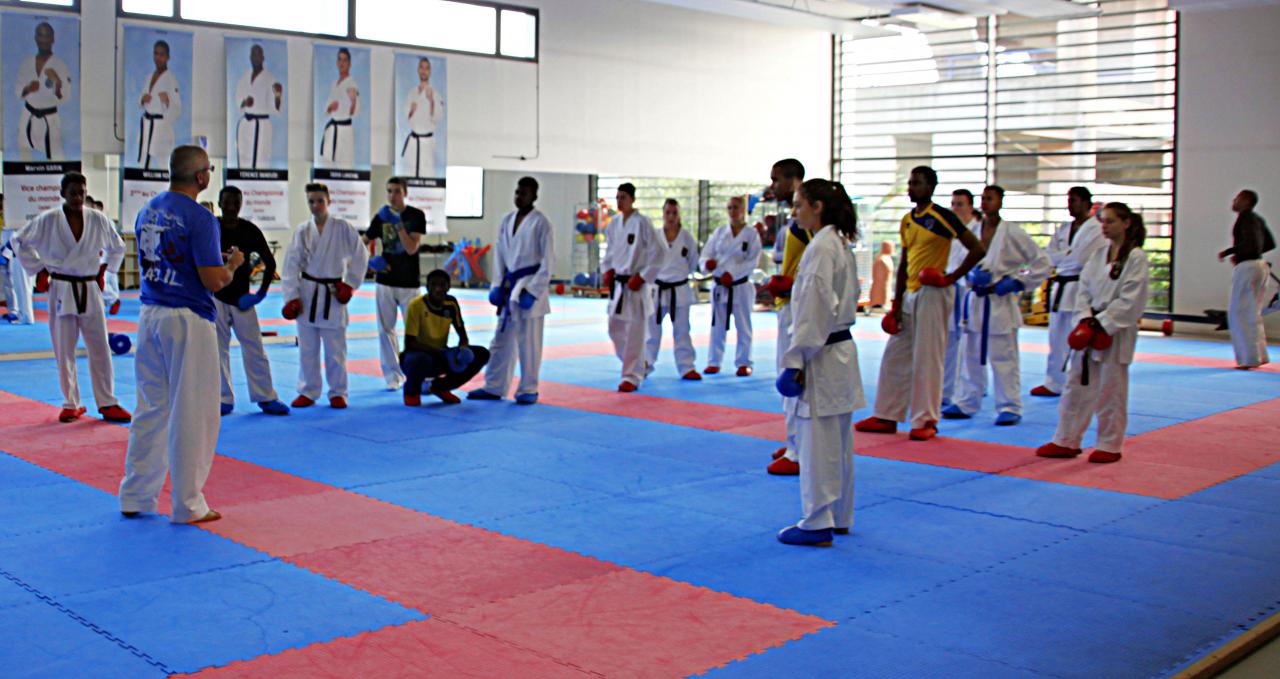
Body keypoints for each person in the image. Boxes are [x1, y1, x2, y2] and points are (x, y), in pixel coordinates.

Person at [119, 146, 239, 524]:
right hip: (188, 319)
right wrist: (233, 264)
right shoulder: (200, 218)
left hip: (150, 314)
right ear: (202, 177)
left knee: (152, 408)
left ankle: (136, 495)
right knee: (195, 412)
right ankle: (188, 503)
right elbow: (214, 280)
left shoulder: (148, 208)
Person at [855, 166, 985, 441]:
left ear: (931, 187)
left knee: (928, 356)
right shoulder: (907, 220)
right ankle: (887, 414)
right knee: (895, 354)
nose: (911, 188)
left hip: (934, 291)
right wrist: (897, 300)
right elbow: (904, 260)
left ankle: (926, 419)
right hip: (911, 293)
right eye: (910, 182)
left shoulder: (942, 216)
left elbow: (977, 248)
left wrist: (950, 278)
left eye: (917, 183)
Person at [774, 179, 864, 547]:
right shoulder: (840, 243)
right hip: (841, 351)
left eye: (800, 204)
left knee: (815, 444)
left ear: (817, 207)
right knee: (839, 443)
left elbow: (812, 311)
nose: (795, 211)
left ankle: (816, 521)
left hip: (823, 354)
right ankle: (839, 515)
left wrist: (794, 360)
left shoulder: (821, 248)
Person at [1036, 202, 1149, 464]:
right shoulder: (1098, 255)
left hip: (1115, 330)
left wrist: (1103, 323)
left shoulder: (1136, 258)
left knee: (1111, 389)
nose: (1105, 227)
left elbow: (1132, 299)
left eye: (1111, 221)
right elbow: (1083, 290)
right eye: (1103, 222)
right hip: (1088, 327)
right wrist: (1086, 320)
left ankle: (1109, 444)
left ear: (1126, 223)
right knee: (1076, 385)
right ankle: (1066, 440)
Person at [16, 172, 131, 424]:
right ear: (62, 194)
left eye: (81, 192)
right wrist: (39, 270)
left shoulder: (98, 219)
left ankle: (107, 401)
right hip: (62, 287)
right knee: (64, 347)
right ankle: (71, 403)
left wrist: (105, 269)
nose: (78, 197)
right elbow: (20, 241)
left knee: (100, 346)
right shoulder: (47, 220)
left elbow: (118, 246)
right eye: (73, 193)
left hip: (90, 287)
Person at [943, 185, 1052, 425]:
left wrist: (1018, 281)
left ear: (1000, 202)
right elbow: (953, 265)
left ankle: (1010, 406)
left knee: (1004, 357)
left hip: (1000, 301)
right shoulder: (970, 230)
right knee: (970, 355)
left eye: (990, 198)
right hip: (974, 300)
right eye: (983, 198)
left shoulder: (1012, 232)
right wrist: (968, 276)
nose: (985, 202)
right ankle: (966, 401)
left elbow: (1042, 262)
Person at [469, 176, 555, 403]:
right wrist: (497, 285)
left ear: (534, 196)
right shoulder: (506, 220)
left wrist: (534, 291)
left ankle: (529, 389)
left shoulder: (541, 223)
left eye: (524, 193)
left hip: (529, 286)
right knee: (501, 339)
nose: (519, 196)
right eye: (517, 192)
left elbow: (548, 263)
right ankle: (494, 386)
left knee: (529, 343)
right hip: (509, 287)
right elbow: (499, 256)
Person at [282, 183, 369, 408]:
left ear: (329, 201)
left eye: (320, 200)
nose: (316, 205)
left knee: (335, 349)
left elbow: (361, 255)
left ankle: (338, 392)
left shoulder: (342, 228)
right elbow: (291, 265)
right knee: (307, 348)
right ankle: (308, 390)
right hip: (308, 294)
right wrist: (291, 297)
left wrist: (350, 285)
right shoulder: (302, 231)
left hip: (333, 294)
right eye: (311, 201)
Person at [213, 186, 288, 417]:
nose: (231, 206)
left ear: (241, 203)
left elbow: (270, 263)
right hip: (215, 296)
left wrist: (260, 294)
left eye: (236, 202)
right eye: (227, 202)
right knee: (217, 350)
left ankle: (265, 395)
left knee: (254, 347)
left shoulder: (249, 230)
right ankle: (222, 398)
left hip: (242, 299)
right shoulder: (210, 228)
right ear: (219, 202)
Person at [1033, 186, 1105, 397]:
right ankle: (1053, 382)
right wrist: (1066, 255)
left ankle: (1076, 381)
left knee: (1076, 338)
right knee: (1055, 338)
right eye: (1068, 200)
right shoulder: (1064, 228)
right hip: (1060, 287)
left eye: (1073, 200)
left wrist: (1062, 257)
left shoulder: (1096, 230)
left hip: (1079, 287)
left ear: (1086, 203)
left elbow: (1082, 260)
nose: (1069, 204)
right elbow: (1047, 256)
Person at [764, 158, 807, 476]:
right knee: (786, 373)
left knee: (793, 375)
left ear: (795, 182)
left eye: (776, 180)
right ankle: (795, 439)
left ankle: (799, 451)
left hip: (800, 306)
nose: (772, 186)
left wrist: (794, 283)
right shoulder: (793, 219)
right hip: (788, 302)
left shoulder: (806, 223)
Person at [364, 177, 427, 390]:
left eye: (397, 191)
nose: (393, 195)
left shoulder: (416, 216)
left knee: (417, 331)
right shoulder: (380, 218)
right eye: (389, 191)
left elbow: (411, 248)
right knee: (385, 330)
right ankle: (393, 376)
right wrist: (370, 262)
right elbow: (361, 243)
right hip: (385, 281)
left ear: (405, 193)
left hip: (409, 282)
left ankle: (421, 373)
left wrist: (398, 225)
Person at [601, 182, 661, 392]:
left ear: (633, 199)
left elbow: (658, 253)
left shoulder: (643, 223)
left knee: (635, 331)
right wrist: (606, 270)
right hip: (619, 285)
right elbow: (609, 253)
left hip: (636, 285)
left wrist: (643, 276)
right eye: (617, 197)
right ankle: (639, 363)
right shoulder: (614, 224)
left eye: (623, 197)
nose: (619, 201)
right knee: (614, 328)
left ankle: (632, 376)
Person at [402, 269, 490, 405]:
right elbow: (410, 343)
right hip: (419, 355)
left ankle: (441, 387)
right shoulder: (416, 305)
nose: (438, 289)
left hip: (442, 356)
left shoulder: (451, 304)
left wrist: (462, 350)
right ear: (427, 287)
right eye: (434, 285)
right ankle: (411, 391)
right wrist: (442, 354)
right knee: (417, 361)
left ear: (448, 287)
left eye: (442, 285)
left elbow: (463, 335)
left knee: (482, 354)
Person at [702, 195, 762, 376]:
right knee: (717, 325)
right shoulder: (720, 232)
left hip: (740, 285)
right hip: (720, 285)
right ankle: (714, 361)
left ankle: (744, 362)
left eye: (736, 207)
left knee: (743, 325)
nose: (732, 211)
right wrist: (707, 264)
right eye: (729, 208)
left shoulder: (751, 234)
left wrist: (733, 274)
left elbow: (753, 261)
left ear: (743, 210)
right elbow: (705, 255)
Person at [643, 198, 700, 381]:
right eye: (668, 213)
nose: (671, 217)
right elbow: (646, 261)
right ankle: (645, 364)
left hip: (679, 290)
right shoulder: (654, 236)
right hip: (657, 290)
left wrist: (680, 276)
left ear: (679, 214)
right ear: (663, 214)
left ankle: (686, 366)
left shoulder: (687, 238)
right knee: (651, 332)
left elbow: (692, 263)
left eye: (674, 213)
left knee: (682, 331)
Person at [1219, 190, 1274, 369]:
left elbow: (1250, 244)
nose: (1233, 201)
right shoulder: (1258, 219)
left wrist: (1230, 252)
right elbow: (1269, 243)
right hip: (1261, 265)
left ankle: (1248, 358)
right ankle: (1260, 355)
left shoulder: (1245, 218)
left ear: (1246, 201)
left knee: (1239, 312)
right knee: (1252, 312)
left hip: (1248, 266)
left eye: (1237, 199)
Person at [941, 189, 981, 407]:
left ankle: (970, 389)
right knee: (949, 341)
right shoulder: (951, 231)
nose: (956, 208)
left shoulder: (978, 231)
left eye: (960, 204)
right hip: (950, 288)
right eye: (953, 204)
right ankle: (947, 391)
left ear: (971, 207)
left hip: (969, 290)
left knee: (969, 344)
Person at [16, 21, 71, 161]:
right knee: (23, 157)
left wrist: (57, 82)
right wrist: (28, 88)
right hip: (28, 115)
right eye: (40, 35)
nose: (44, 40)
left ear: (53, 39)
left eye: (47, 36)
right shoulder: (26, 63)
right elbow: (18, 91)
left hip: (50, 119)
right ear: (35, 38)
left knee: (57, 159)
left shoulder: (60, 65)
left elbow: (65, 97)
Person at [233, 44, 283, 169]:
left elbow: (275, 108)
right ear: (250, 58)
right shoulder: (245, 77)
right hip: (245, 124)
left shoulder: (270, 79)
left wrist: (277, 96)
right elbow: (238, 99)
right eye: (253, 55)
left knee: (260, 159)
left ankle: (258, 188)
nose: (255, 58)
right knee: (243, 158)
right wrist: (245, 102)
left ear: (263, 57)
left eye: (257, 55)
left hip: (261, 125)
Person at [137, 40, 182, 170]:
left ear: (168, 57)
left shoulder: (171, 80)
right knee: (144, 163)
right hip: (147, 124)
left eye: (162, 54)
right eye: (156, 54)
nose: (158, 57)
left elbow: (177, 109)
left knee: (163, 164)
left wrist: (167, 102)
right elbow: (141, 99)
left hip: (161, 126)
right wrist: (142, 99)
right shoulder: (149, 76)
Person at [399, 57, 444, 178]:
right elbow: (406, 116)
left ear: (430, 72)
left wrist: (432, 102)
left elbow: (437, 117)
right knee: (409, 175)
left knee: (427, 175)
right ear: (418, 70)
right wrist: (411, 111)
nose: (424, 71)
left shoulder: (436, 94)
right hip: (413, 141)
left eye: (427, 68)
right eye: (421, 67)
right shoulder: (412, 93)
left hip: (427, 143)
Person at [318, 48, 359, 168]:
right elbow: (327, 109)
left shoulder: (352, 84)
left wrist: (353, 101)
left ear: (350, 64)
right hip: (332, 129)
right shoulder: (334, 83)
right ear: (337, 63)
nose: (342, 63)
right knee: (327, 164)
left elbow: (355, 112)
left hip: (345, 131)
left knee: (345, 166)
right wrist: (331, 107)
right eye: (339, 59)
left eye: (345, 60)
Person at [869, 241, 894, 310]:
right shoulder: (881, 260)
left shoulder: (887, 258)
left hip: (886, 289)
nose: (892, 249)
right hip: (880, 292)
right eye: (890, 247)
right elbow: (880, 278)